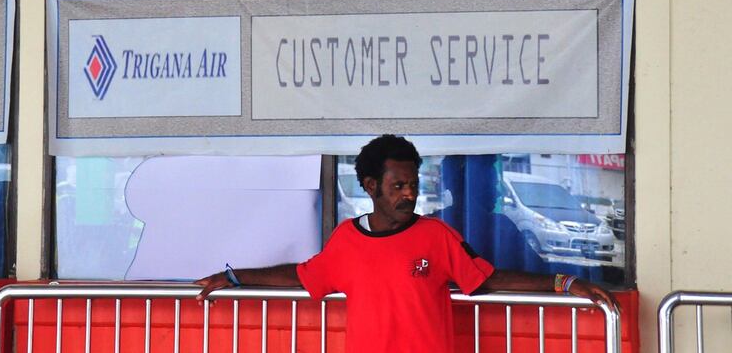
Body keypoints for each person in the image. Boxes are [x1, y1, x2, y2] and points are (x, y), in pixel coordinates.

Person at [195, 135, 617, 353]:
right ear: (370, 186)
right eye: (398, 186)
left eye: (413, 185)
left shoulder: (436, 235)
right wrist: (234, 276)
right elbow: (303, 276)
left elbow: (486, 279)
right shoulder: (346, 240)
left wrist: (564, 283)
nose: (409, 194)